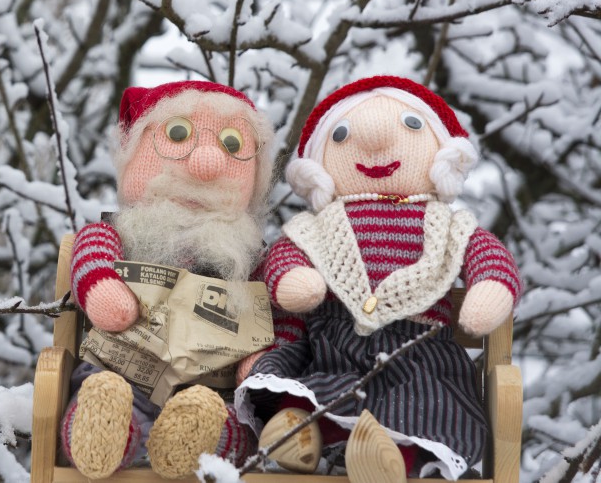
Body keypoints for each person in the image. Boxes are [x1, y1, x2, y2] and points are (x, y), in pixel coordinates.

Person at [236, 75, 522, 482]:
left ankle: (396, 461)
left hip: (421, 352)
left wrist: (489, 288)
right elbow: (288, 253)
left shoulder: (447, 225)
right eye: (342, 135)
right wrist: (295, 279)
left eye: (411, 128)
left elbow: (488, 256)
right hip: (335, 346)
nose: (374, 144)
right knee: (314, 386)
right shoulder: (318, 225)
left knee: (426, 404)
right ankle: (305, 432)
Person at [61, 80, 275, 479]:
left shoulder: (250, 257)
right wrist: (103, 290)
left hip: (216, 391)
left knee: (225, 421)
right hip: (124, 374)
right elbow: (92, 254)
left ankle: (195, 440)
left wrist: (260, 360)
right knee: (106, 395)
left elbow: (269, 316)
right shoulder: (120, 236)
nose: (205, 163)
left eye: (231, 144)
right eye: (178, 134)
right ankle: (104, 429)